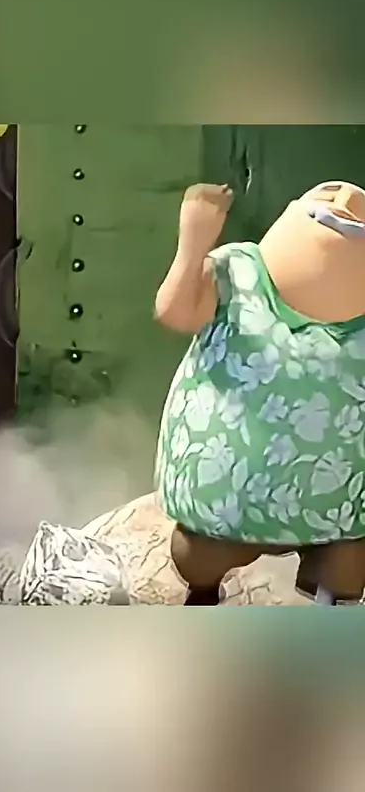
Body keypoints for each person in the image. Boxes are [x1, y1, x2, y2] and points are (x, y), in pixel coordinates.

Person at [154, 182, 365, 605]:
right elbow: (174, 311)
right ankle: (203, 595)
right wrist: (193, 240)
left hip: (340, 517)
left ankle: (330, 606)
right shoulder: (237, 273)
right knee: (198, 556)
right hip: (225, 510)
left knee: (347, 566)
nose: (341, 208)